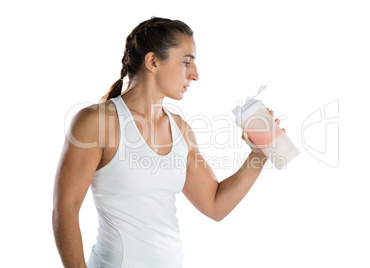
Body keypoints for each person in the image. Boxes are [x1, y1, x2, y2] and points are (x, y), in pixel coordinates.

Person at [52, 17, 285, 268]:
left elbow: (215, 205)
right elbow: (65, 209)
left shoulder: (181, 129)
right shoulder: (95, 122)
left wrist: (258, 155)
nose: (195, 75)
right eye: (187, 62)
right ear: (153, 61)